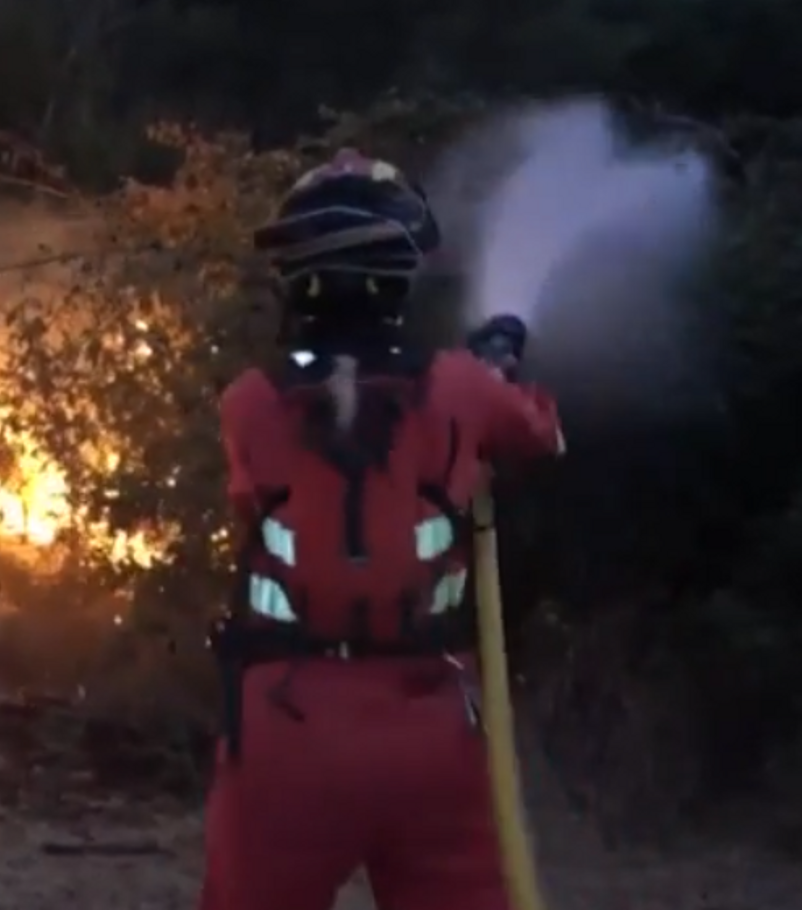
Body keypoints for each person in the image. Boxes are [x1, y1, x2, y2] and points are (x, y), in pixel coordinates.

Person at [200, 149, 565, 910]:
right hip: (429, 724)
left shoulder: (249, 403)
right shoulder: (460, 389)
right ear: (399, 281)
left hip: (285, 728)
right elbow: (539, 436)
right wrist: (493, 372)